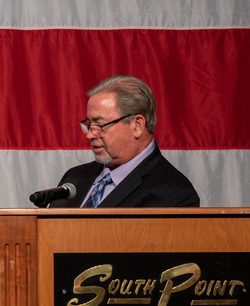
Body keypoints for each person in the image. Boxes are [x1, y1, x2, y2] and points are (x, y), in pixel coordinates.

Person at [50, 74, 200, 208]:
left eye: (100, 125)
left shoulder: (175, 194)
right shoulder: (75, 177)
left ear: (137, 125)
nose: (89, 135)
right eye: (89, 125)